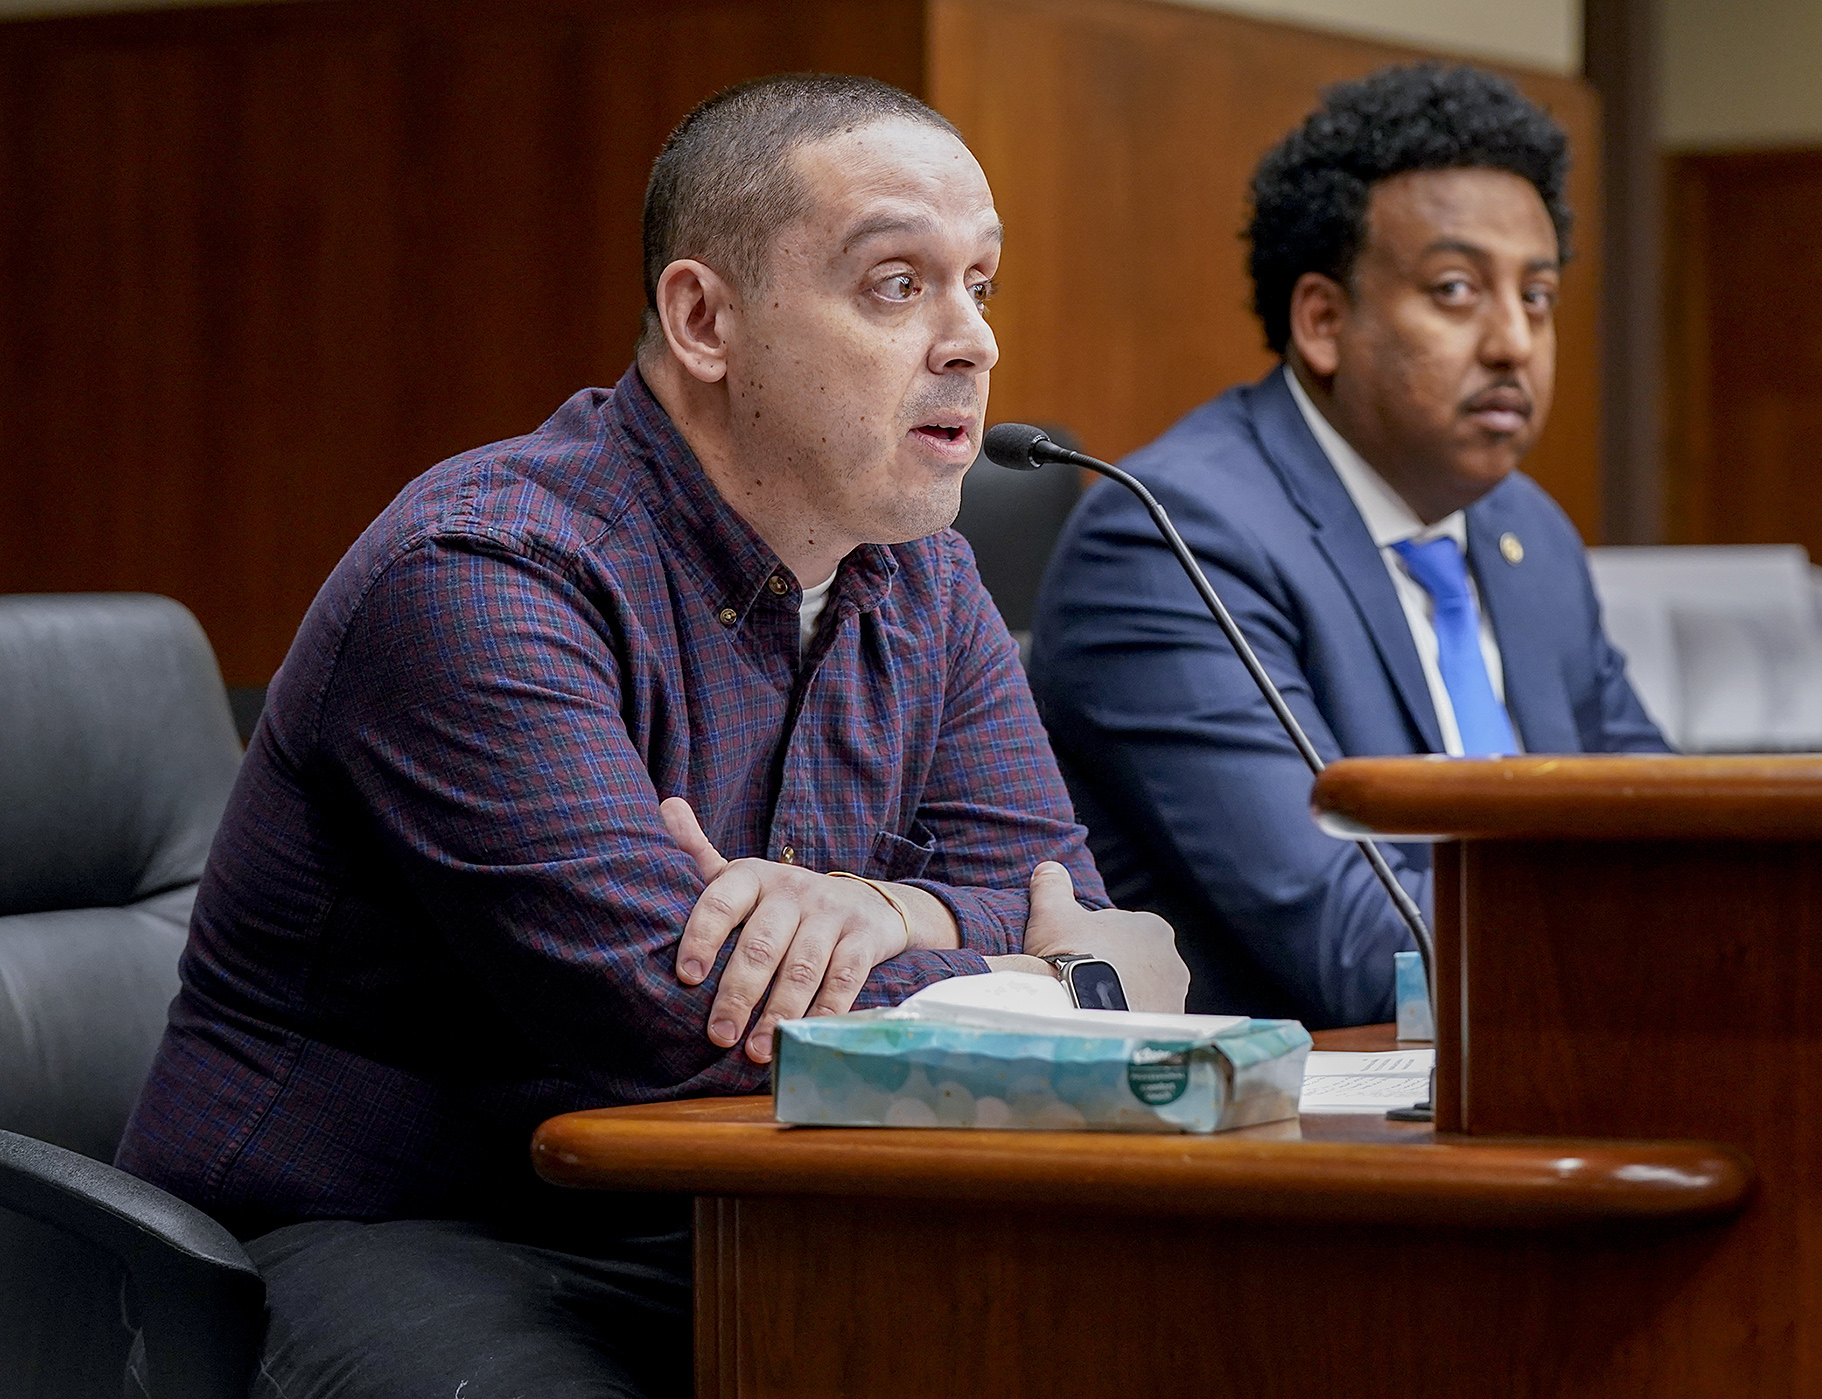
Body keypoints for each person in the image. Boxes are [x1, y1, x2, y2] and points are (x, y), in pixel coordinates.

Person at [116, 73, 1184, 1399]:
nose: (973, 341)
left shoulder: (928, 579)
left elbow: (1051, 891)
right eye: (898, 285)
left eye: (984, 283)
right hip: (373, 1234)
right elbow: (682, 1018)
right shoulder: (481, 571)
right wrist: (1058, 989)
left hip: (731, 1208)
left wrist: (887, 907)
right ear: (705, 317)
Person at [1028, 64, 1668, 1033]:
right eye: (1457, 290)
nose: (1513, 342)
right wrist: (1667, 968)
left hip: (1544, 1057)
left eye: (1537, 296)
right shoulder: (1174, 536)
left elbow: (1671, 832)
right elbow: (1363, 941)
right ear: (1323, 321)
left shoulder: (1524, 527)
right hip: (1290, 1133)